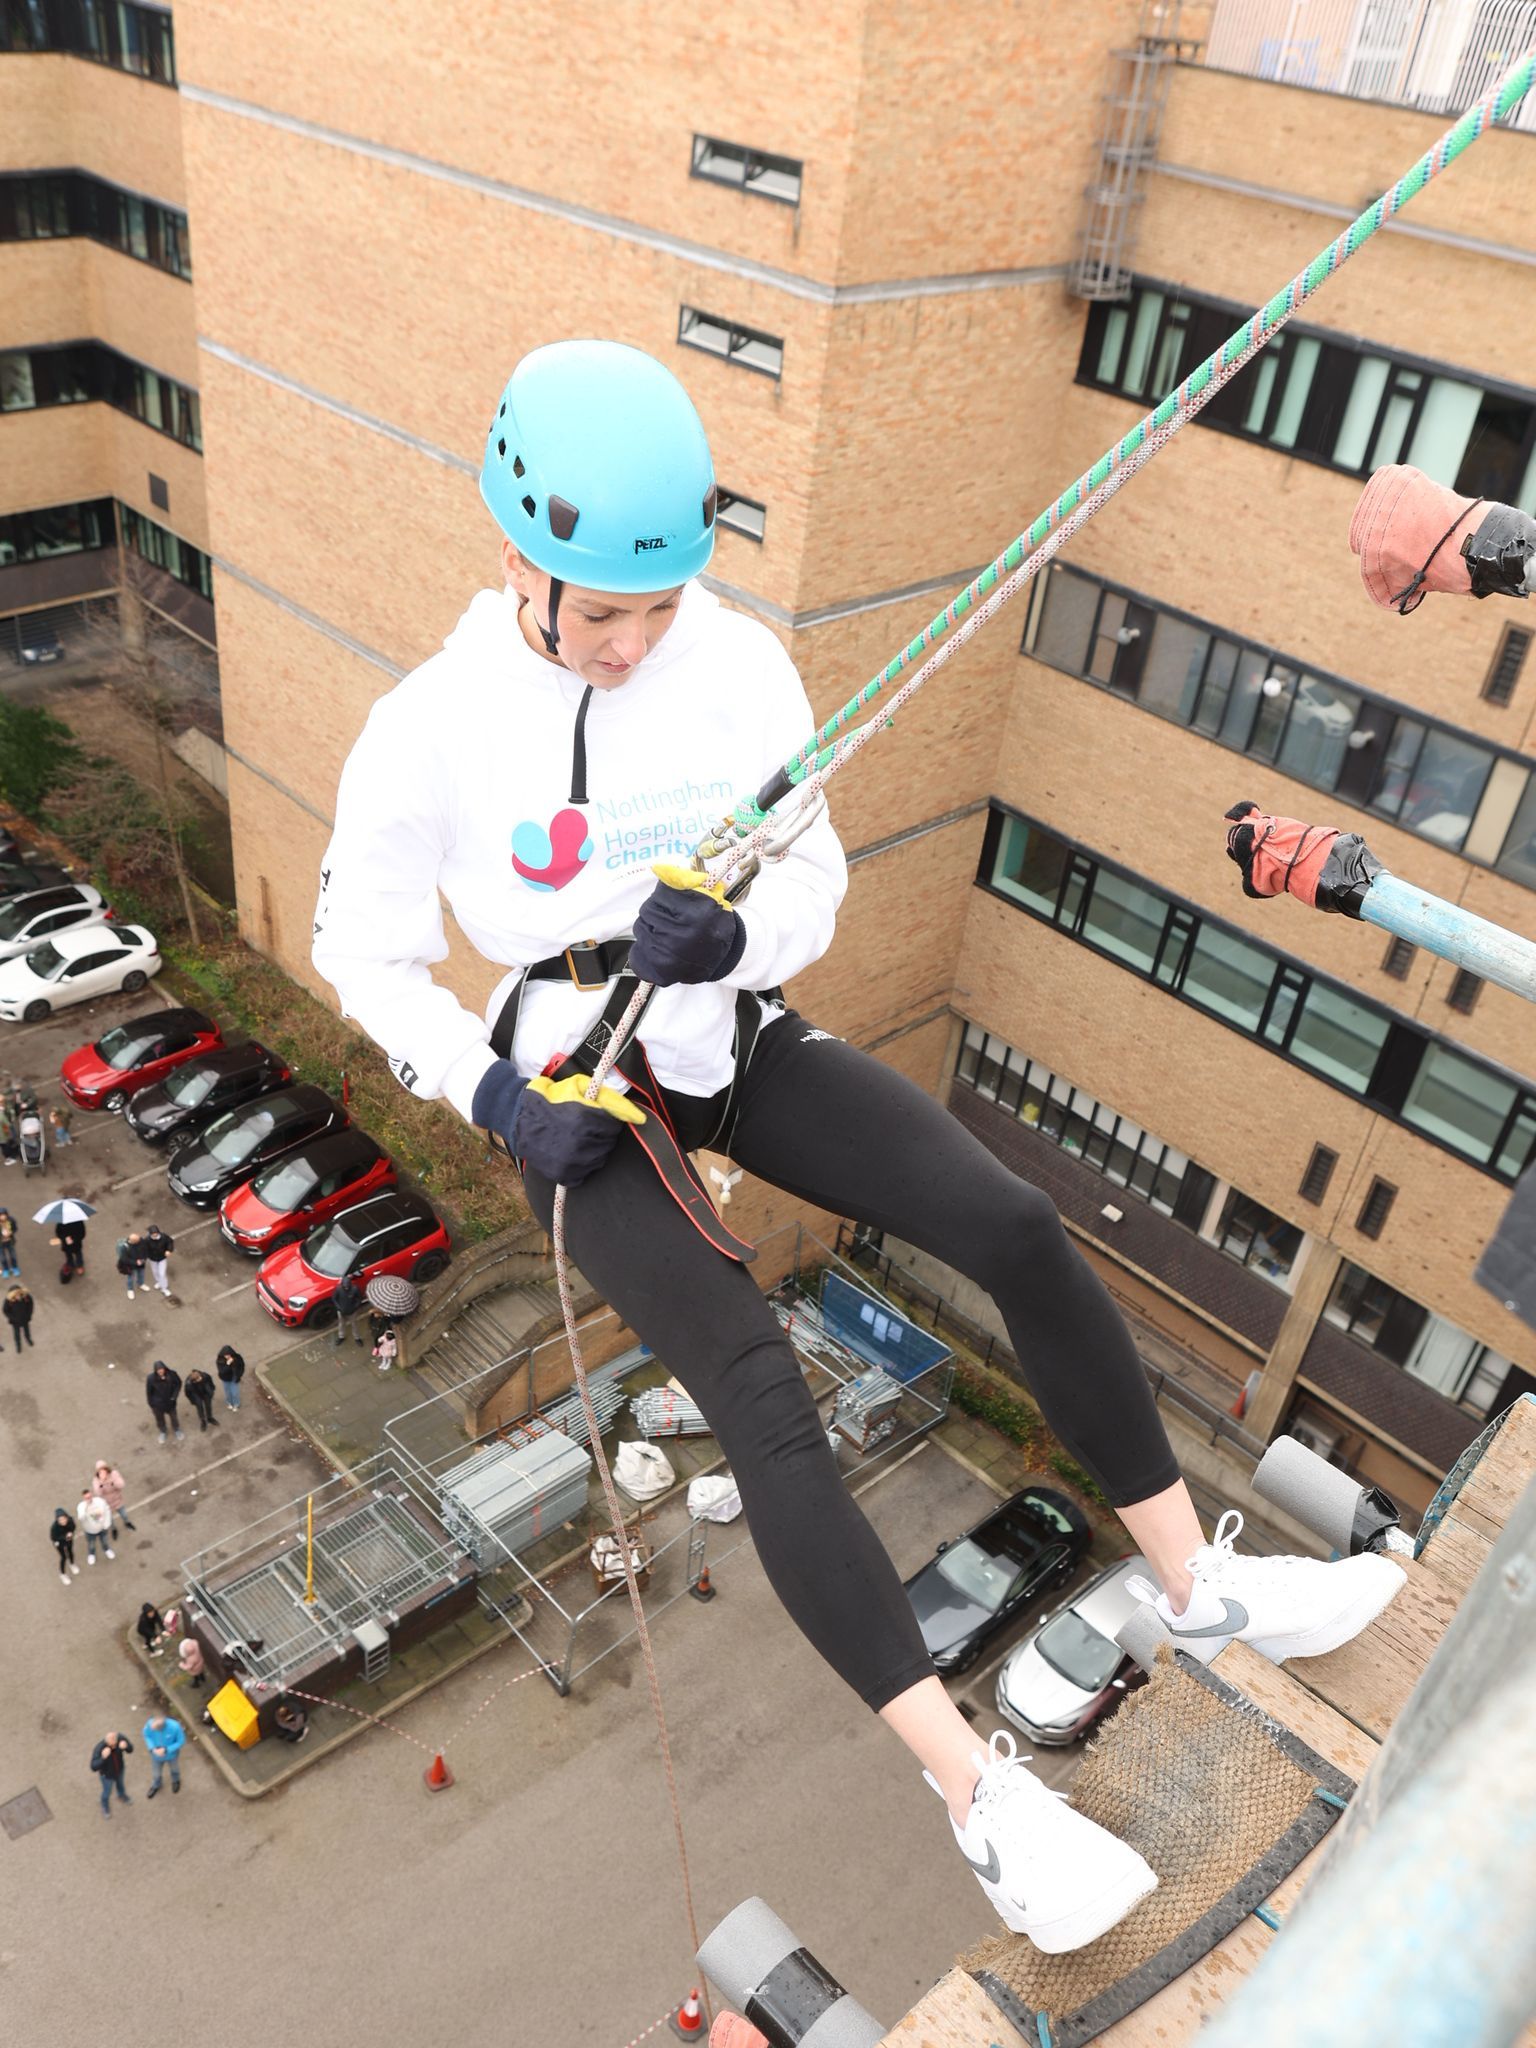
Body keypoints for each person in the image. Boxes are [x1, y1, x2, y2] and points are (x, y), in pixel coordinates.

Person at [309, 339, 1407, 1952]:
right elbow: (363, 948)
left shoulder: (738, 668)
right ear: (514, 561)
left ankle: (1200, 1580)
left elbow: (815, 882)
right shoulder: (432, 725)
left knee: (1017, 1223)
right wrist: (487, 1095)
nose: (628, 646)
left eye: (655, 608)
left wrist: (731, 935)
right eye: (597, 612)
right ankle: (983, 1799)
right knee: (758, 1391)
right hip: (579, 1092)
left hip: (723, 1028)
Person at [142, 1712, 186, 1798]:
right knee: (156, 1773)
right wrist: (152, 1748)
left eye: (154, 1730)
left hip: (172, 1755)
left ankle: (176, 1781)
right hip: (156, 1755)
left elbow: (181, 1741)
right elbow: (146, 1735)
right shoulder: (150, 1724)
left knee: (174, 1769)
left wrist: (166, 1749)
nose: (151, 1729)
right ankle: (156, 1785)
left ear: (161, 1729)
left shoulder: (175, 1727)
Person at [90, 1731, 133, 1815]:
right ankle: (104, 1804)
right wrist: (103, 1758)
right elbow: (93, 1767)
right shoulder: (99, 1748)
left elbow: (131, 1749)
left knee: (121, 1785)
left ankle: (121, 1795)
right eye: (111, 1745)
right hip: (107, 1776)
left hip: (120, 1770)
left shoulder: (120, 1738)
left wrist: (126, 1746)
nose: (113, 1746)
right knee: (107, 1792)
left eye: (115, 1744)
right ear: (106, 1741)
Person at [91, 1459, 136, 1539]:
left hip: (118, 1501)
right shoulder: (96, 1480)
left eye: (104, 1470)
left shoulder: (114, 1474)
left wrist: (112, 1482)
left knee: (124, 1515)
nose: (103, 1472)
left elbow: (122, 1485)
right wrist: (101, 1482)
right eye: (100, 1471)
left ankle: (127, 1523)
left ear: (107, 1469)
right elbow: (98, 1493)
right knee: (110, 1521)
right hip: (107, 1505)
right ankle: (114, 1529)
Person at [145, 1360, 183, 1443]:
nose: (160, 1371)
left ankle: (176, 1429)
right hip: (158, 1404)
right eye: (158, 1370)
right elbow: (149, 1392)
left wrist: (174, 1396)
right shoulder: (151, 1378)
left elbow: (178, 1384)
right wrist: (151, 1404)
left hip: (170, 1402)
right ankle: (163, 1431)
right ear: (155, 1371)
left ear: (165, 1369)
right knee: (160, 1419)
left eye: (161, 1369)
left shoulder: (172, 1374)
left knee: (174, 1417)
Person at [76, 1486, 114, 1564]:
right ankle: (91, 1554)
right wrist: (86, 1508)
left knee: (104, 1541)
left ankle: (106, 1550)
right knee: (91, 1544)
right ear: (83, 1498)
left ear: (92, 1495)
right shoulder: (81, 1506)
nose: (89, 1499)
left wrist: (106, 1524)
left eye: (90, 1496)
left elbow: (107, 1510)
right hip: (90, 1531)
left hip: (102, 1529)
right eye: (86, 1498)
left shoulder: (99, 1501)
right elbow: (81, 1518)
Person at [331, 1271, 366, 1348]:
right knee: (341, 1324)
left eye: (347, 1286)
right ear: (342, 1285)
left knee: (354, 1324)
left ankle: (357, 1338)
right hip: (341, 1311)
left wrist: (355, 1307)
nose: (346, 1288)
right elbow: (334, 1299)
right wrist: (338, 1308)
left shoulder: (355, 1289)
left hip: (352, 1312)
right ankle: (341, 1337)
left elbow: (359, 1299)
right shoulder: (338, 1289)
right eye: (345, 1286)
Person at [142, 1222, 174, 1298]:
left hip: (162, 1258)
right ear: (150, 1234)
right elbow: (144, 1250)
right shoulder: (147, 1240)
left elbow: (170, 1242)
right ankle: (159, 1282)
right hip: (153, 1259)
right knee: (155, 1272)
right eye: (153, 1234)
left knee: (162, 1274)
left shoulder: (164, 1237)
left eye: (156, 1233)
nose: (155, 1235)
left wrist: (169, 1250)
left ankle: (164, 1288)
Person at [115, 1230, 148, 1300]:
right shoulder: (124, 1248)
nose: (140, 1241)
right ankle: (130, 1289)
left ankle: (141, 1284)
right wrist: (136, 1262)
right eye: (138, 1241)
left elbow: (145, 1249)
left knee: (141, 1274)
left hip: (141, 1263)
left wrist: (144, 1258)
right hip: (131, 1266)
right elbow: (124, 1259)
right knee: (130, 1278)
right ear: (133, 1242)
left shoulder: (140, 1240)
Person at [50, 1505, 78, 1585]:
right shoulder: (54, 1527)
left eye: (63, 1519)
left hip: (69, 1540)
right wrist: (64, 1536)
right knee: (63, 1557)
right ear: (57, 1520)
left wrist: (71, 1533)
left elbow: (73, 1527)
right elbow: (53, 1537)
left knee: (70, 1552)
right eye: (60, 1520)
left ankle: (72, 1564)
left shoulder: (70, 1520)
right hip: (59, 1543)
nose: (63, 1521)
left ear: (66, 1516)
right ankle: (62, 1574)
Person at [184, 1367, 219, 1431]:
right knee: (200, 1408)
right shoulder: (188, 1383)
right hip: (197, 1395)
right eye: (198, 1380)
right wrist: (192, 1401)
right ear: (194, 1381)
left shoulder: (205, 1376)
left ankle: (210, 1418)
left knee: (208, 1406)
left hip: (206, 1393)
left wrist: (212, 1390)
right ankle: (203, 1421)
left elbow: (211, 1382)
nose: (200, 1379)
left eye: (200, 1378)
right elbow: (187, 1393)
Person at [214, 1344, 245, 1411]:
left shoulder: (237, 1357)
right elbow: (222, 1371)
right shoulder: (220, 1360)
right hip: (225, 1379)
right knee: (227, 1392)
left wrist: (239, 1374)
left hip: (234, 1377)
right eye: (226, 1355)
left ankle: (236, 1404)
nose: (227, 1356)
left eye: (229, 1354)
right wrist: (228, 1364)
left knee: (235, 1392)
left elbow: (241, 1366)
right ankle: (229, 1403)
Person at [4, 1281, 33, 1350]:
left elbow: (30, 1305)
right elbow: (5, 1310)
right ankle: (18, 1345)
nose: (17, 1296)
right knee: (17, 1334)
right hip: (15, 1321)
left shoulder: (26, 1297)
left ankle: (28, 1339)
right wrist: (12, 1318)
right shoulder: (8, 1301)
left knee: (27, 1330)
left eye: (18, 1293)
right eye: (15, 1294)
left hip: (25, 1319)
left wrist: (29, 1314)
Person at [0, 1205, 20, 1274]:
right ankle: (6, 1269)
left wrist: (11, 1232)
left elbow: (15, 1228)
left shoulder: (11, 1220)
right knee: (3, 1258)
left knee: (13, 1255)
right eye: (0, 1215)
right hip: (1, 1243)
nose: (2, 1217)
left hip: (10, 1241)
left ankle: (15, 1267)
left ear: (6, 1214)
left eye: (3, 1215)